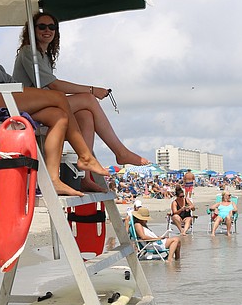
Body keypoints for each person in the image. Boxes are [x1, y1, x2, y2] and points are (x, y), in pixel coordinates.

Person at [0, 0, 109, 197]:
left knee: (57, 115)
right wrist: (9, 81)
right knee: (59, 97)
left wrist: (5, 80)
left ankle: (53, 179)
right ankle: (85, 155)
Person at [12, 12, 149, 191]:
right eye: (42, 27)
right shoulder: (29, 51)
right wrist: (92, 89)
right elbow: (54, 85)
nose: (47, 30)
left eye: (51, 27)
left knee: (85, 115)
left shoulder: (43, 55)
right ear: (32, 30)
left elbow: (50, 86)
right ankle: (120, 152)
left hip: (43, 105)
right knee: (88, 99)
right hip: (28, 107)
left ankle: (84, 175)